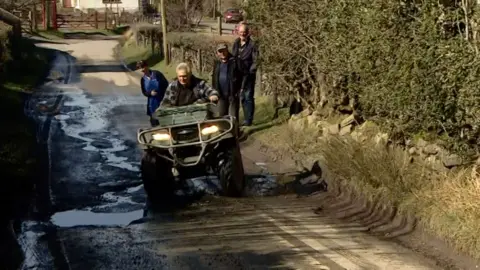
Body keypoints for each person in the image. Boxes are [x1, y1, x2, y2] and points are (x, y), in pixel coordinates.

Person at [232, 23, 259, 127]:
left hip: (248, 75)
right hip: (238, 75)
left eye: (244, 32)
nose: (243, 34)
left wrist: (251, 71)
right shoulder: (236, 43)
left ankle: (249, 120)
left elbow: (256, 61)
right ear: (238, 32)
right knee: (241, 97)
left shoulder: (252, 45)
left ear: (248, 33)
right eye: (241, 32)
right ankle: (245, 119)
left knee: (248, 96)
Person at [211, 43, 241, 121]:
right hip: (221, 95)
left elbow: (242, 76)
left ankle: (235, 132)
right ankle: (224, 133)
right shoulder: (217, 63)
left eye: (224, 51)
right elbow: (214, 78)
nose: (223, 53)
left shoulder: (234, 61)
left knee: (233, 118)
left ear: (227, 51)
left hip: (233, 94)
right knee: (222, 117)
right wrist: (214, 91)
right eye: (220, 51)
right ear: (217, 53)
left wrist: (240, 89)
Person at [138, 60, 169, 126]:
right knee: (155, 123)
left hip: (162, 102)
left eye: (143, 67)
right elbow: (144, 92)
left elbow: (166, 85)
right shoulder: (143, 80)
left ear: (147, 66)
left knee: (164, 122)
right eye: (140, 68)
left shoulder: (157, 74)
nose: (142, 70)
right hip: (152, 105)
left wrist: (162, 94)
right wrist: (150, 93)